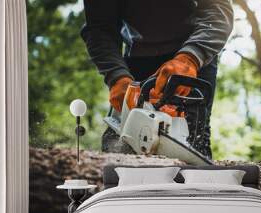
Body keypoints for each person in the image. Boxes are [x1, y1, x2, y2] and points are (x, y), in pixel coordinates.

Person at [81, 0, 233, 158]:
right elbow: (99, 27)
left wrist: (191, 57)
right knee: (121, 139)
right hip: (136, 59)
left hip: (194, 51)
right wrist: (117, 76)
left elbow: (217, 9)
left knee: (192, 139)